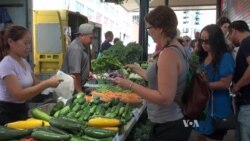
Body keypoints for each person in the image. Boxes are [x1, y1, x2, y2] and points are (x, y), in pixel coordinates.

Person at [115, 6, 192, 141]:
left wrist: (130, 85)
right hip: (172, 122)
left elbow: (165, 98)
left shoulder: (168, 54)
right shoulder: (177, 48)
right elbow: (160, 80)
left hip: (169, 126)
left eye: (149, 28)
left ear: (160, 28)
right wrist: (137, 69)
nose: (148, 32)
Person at [0, 24, 61, 125]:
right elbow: (19, 95)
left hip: (22, 109)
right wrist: (47, 83)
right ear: (10, 42)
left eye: (30, 43)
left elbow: (36, 84)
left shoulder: (24, 62)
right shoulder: (6, 64)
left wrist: (60, 79)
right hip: (7, 113)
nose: (29, 47)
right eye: (25, 43)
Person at [194, 24, 235, 141]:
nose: (204, 43)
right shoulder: (202, 57)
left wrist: (204, 85)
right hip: (202, 107)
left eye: (207, 40)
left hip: (217, 107)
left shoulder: (225, 57)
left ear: (216, 40)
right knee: (200, 136)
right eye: (201, 40)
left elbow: (225, 83)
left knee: (214, 137)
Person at [229, 20, 250, 141]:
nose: (230, 38)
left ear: (235, 30)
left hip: (247, 102)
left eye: (229, 34)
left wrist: (237, 86)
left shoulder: (247, 43)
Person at [61, 23, 95, 92]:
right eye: (90, 38)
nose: (92, 41)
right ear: (82, 35)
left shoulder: (85, 46)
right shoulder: (76, 49)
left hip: (76, 86)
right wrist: (80, 92)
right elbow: (75, 74)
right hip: (69, 89)